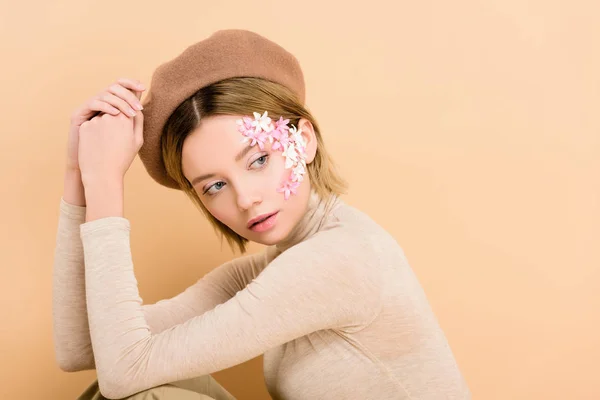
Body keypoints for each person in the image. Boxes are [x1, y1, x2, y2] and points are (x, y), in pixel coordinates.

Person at [52, 29, 471, 400]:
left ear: (303, 140)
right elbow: (82, 349)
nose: (246, 199)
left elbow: (124, 371)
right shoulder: (267, 272)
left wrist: (107, 182)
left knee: (148, 395)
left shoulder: (341, 259)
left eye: (257, 161)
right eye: (214, 186)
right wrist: (79, 175)